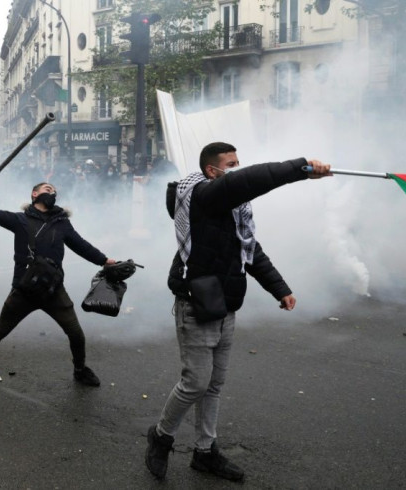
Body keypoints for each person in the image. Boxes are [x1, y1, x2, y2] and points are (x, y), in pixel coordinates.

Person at [144, 142, 332, 482]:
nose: (236, 167)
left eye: (237, 162)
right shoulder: (204, 196)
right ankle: (161, 436)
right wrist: (301, 167)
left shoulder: (233, 212)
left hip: (226, 303)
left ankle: (205, 452)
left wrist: (281, 289)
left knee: (213, 385)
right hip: (196, 303)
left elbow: (250, 251)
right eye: (230, 164)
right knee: (195, 384)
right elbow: (248, 181)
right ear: (212, 171)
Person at [0, 182, 117, 386]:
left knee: (76, 333)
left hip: (53, 290)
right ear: (34, 194)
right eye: (46, 188)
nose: (52, 191)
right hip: (24, 289)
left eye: (54, 190)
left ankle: (80, 369)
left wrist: (104, 260)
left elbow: (80, 245)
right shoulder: (19, 220)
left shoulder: (62, 223)